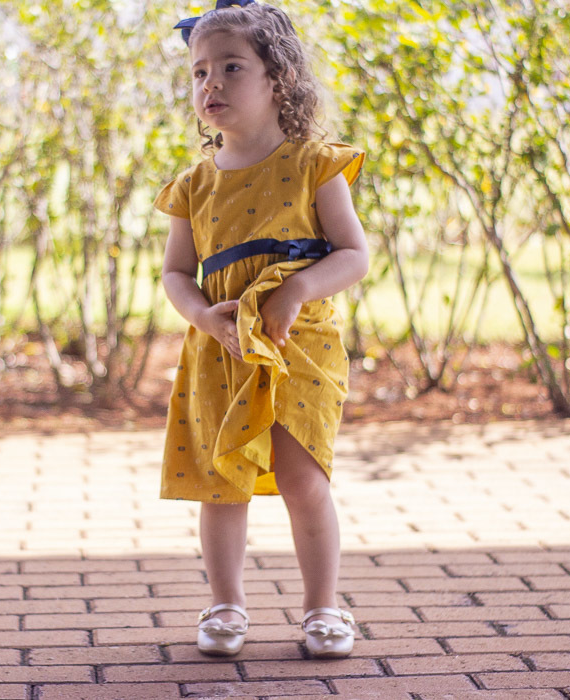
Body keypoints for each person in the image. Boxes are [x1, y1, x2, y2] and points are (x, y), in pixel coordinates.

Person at [155, 0, 370, 659]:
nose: (210, 84)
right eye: (198, 73)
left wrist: (299, 288)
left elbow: (354, 254)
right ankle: (224, 603)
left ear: (278, 78)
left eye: (230, 68)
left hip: (296, 348)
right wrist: (200, 316)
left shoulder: (314, 164)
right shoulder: (195, 184)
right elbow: (175, 273)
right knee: (222, 479)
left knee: (302, 476)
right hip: (222, 351)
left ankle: (321, 607)